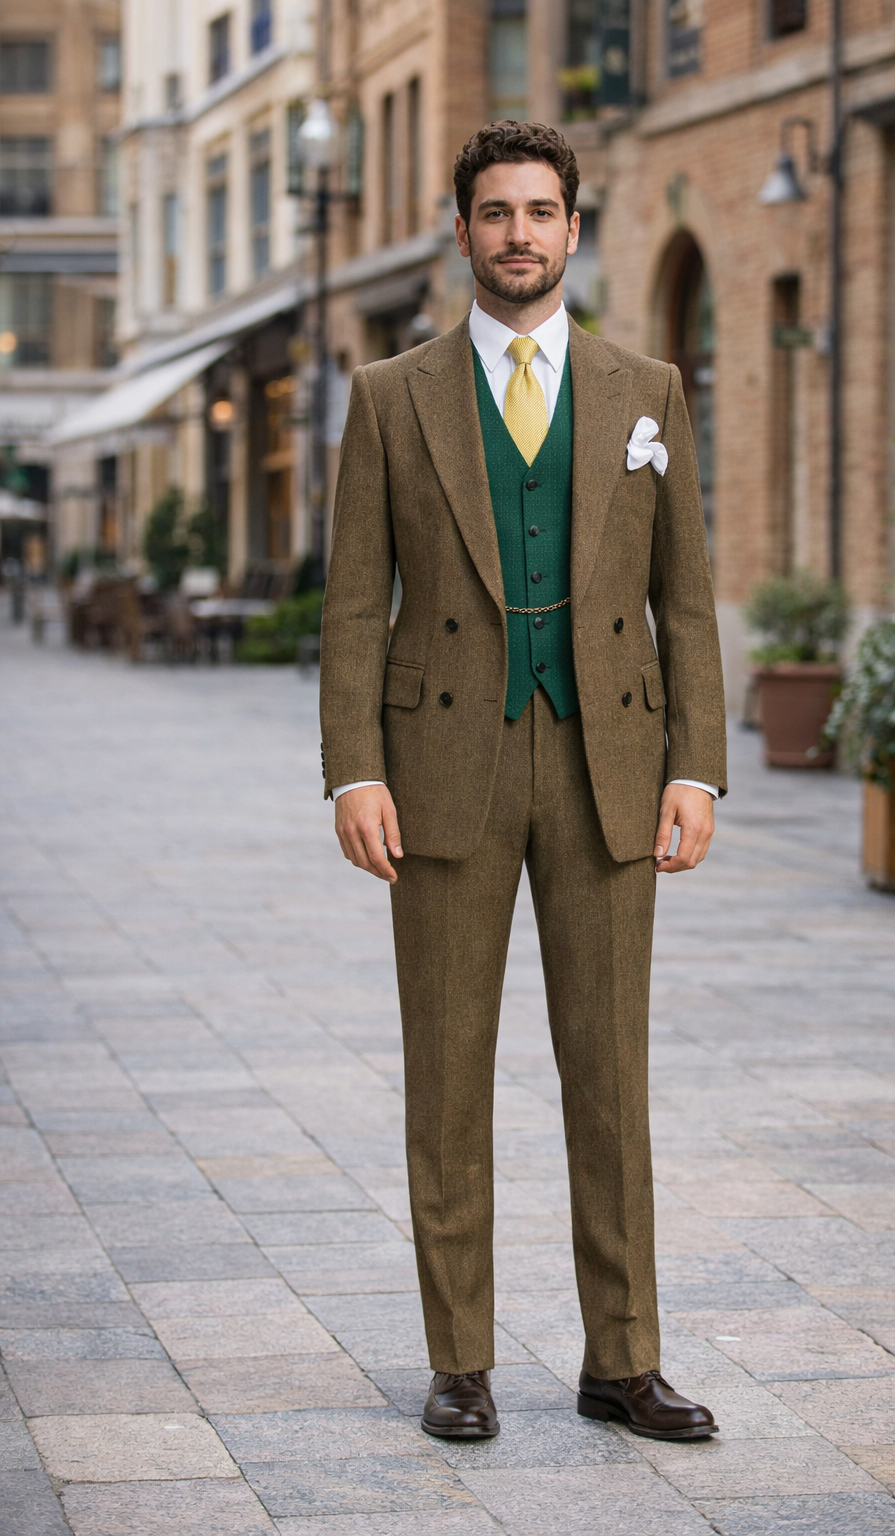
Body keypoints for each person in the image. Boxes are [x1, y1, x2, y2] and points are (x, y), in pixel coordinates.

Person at [320, 120, 727, 1443]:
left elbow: (690, 601)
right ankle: (462, 1363)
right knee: (448, 1070)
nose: (519, 234)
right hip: (443, 761)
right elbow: (349, 606)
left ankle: (622, 1360)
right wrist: (352, 771)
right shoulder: (392, 396)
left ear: (571, 229)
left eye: (541, 212)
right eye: (496, 213)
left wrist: (699, 768)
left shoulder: (647, 387)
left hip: (611, 756)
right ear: (463, 235)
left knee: (609, 1073)